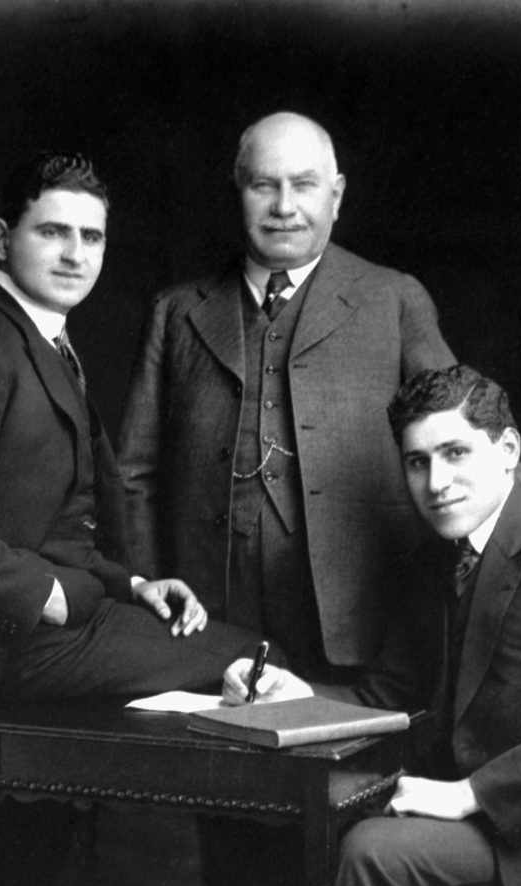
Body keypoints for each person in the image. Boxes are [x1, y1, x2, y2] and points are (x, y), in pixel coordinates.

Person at [0, 153, 263, 878]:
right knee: (244, 655)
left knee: (240, 652)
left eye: (91, 238)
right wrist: (43, 594)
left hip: (55, 622)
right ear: (2, 238)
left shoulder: (43, 341)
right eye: (52, 232)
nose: (74, 254)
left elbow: (51, 520)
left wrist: (131, 587)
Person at [222, 365, 521, 886]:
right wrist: (297, 695)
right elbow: (390, 698)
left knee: (372, 852)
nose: (436, 483)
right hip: (456, 824)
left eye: (455, 453)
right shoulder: (434, 556)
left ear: (509, 451)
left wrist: (468, 794)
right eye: (417, 463)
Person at [116, 111, 456, 679]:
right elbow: (133, 475)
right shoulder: (175, 311)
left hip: (357, 627)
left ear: (337, 196)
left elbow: (463, 425)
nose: (283, 206)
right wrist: (148, 592)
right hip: (204, 623)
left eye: (303, 185)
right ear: (237, 193)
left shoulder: (393, 300)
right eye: (263, 185)